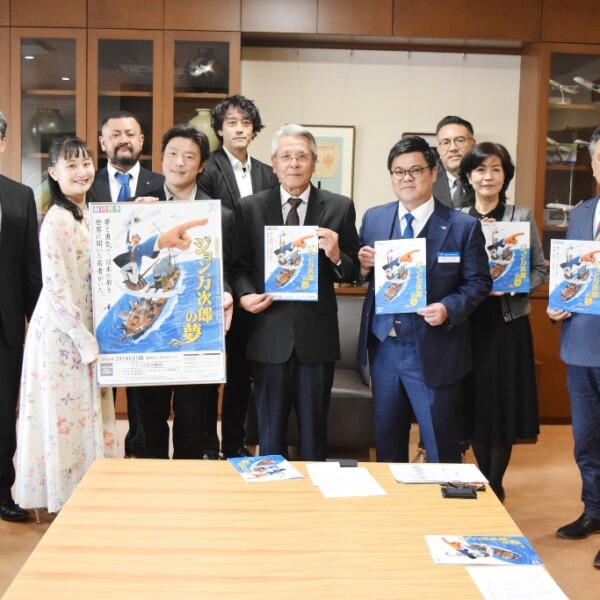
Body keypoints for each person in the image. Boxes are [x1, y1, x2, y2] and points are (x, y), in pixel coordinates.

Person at [357, 135, 491, 464]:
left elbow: (479, 282)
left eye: (415, 170)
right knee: (387, 438)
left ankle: (445, 495)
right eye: (398, 171)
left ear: (433, 173)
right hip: (385, 346)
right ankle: (394, 497)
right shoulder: (374, 218)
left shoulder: (463, 226)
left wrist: (448, 308)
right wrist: (362, 266)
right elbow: (362, 276)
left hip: (434, 346)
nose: (406, 178)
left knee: (439, 440)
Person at [232, 123, 359, 461]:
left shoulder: (339, 207)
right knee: (269, 431)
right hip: (267, 332)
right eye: (286, 156)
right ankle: (272, 490)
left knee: (315, 432)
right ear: (274, 163)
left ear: (314, 162)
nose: (294, 163)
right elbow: (239, 266)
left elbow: (354, 273)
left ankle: (313, 489)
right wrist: (244, 296)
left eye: (302, 156)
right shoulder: (250, 207)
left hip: (316, 336)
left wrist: (336, 255)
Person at [15, 136, 119, 515]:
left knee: (85, 413)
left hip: (87, 328)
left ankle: (91, 493)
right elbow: (57, 290)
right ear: (54, 173)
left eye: (86, 163)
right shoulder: (56, 221)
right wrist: (84, 339)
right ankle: (66, 500)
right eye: (71, 165)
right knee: (65, 415)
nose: (81, 171)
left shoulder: (89, 213)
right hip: (63, 334)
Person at [131, 124, 234, 460]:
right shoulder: (136, 208)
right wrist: (132, 221)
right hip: (149, 330)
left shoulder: (219, 216)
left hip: (195, 329)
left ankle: (187, 485)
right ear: (161, 159)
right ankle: (150, 482)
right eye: (172, 154)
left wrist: (227, 292)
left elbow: (230, 269)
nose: (179, 162)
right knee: (149, 416)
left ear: (201, 166)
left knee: (193, 419)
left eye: (189, 157)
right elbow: (122, 264)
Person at [458, 142, 547, 502]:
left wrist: (517, 284)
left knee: (504, 404)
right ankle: (485, 476)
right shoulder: (458, 218)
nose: (488, 176)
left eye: (496, 169)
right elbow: (445, 270)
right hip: (468, 325)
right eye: (480, 169)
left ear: (505, 176)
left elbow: (540, 269)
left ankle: (495, 483)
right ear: (469, 176)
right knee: (476, 403)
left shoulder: (520, 217)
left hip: (508, 324)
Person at [198, 95, 278, 459]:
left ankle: (234, 444)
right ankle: (206, 444)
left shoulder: (266, 172)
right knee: (211, 372)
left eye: (246, 123)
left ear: (254, 130)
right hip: (216, 278)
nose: (240, 129)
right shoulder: (208, 170)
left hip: (252, 281)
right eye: (231, 123)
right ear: (219, 129)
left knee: (241, 373)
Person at [92, 110, 164, 459]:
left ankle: (142, 457)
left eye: (130, 134)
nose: (124, 140)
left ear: (141, 141)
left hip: (144, 299)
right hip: (98, 300)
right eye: (115, 134)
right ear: (102, 142)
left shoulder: (160, 184)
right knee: (100, 390)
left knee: (143, 394)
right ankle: (100, 461)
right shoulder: (86, 183)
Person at [547, 126, 600, 568]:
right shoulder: (582, 213)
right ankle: (594, 509)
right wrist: (555, 307)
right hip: (580, 345)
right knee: (586, 439)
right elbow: (570, 277)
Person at [0, 111, 42, 522]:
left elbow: (31, 266)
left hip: (6, 325)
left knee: (2, 415)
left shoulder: (20, 196)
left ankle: (2, 492)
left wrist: (39, 323)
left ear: (2, 143)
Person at [433, 115, 477, 209]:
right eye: (446, 142)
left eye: (460, 140)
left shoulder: (486, 180)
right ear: (439, 150)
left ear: (473, 144)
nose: (453, 148)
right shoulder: (427, 184)